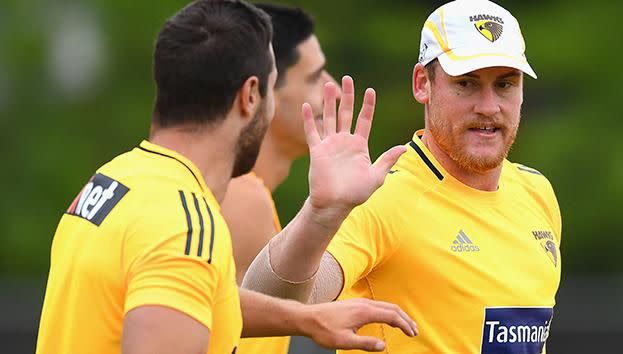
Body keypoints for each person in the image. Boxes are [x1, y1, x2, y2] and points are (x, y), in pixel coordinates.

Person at [34, 1, 418, 354]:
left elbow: (193, 292)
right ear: (250, 95)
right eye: (269, 88)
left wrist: (305, 318)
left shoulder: (115, 177)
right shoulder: (186, 222)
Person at [243, 0, 562, 353]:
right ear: (422, 84)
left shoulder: (537, 193)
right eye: (466, 84)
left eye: (505, 85)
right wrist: (320, 215)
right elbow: (267, 303)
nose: (488, 106)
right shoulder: (382, 196)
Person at [220, 4, 340, 354]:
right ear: (265, 88)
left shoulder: (245, 193)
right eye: (316, 77)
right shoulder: (242, 200)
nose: (333, 87)